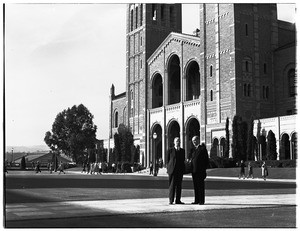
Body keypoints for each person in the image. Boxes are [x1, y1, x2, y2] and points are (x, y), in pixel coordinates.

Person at [190, 136, 209, 205]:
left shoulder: (202, 149)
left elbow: (206, 160)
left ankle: (201, 200)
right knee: (195, 186)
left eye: (195, 140)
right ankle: (196, 200)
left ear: (198, 140)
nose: (194, 142)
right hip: (194, 171)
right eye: (192, 141)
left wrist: (204, 169)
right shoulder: (193, 150)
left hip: (200, 171)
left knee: (200, 186)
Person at [167, 137, 185, 205]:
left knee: (179, 186)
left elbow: (182, 160)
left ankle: (178, 200)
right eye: (177, 141)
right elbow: (168, 160)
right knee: (172, 186)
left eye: (179, 141)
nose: (178, 142)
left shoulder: (182, 151)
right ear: (174, 142)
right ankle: (171, 200)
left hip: (179, 171)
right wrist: (169, 168)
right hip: (172, 170)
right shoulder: (170, 150)